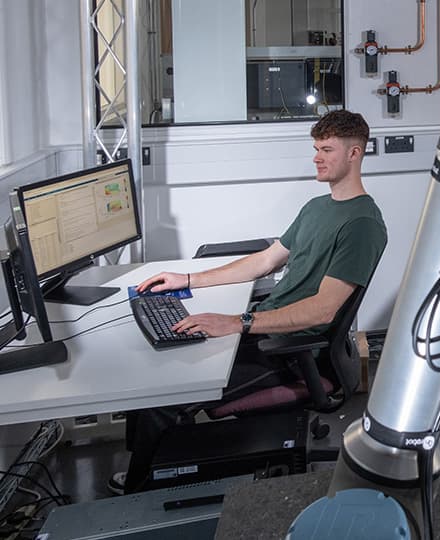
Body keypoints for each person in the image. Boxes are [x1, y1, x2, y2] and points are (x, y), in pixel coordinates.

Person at [112, 110, 388, 494]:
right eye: (315, 148)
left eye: (326, 149)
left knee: (166, 394)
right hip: (263, 330)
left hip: (290, 352)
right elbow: (264, 261)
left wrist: (237, 323)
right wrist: (188, 280)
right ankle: (156, 473)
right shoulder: (316, 208)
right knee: (157, 370)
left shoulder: (362, 224)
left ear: (355, 154)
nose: (316, 157)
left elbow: (324, 309)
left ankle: (137, 496)